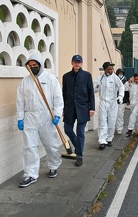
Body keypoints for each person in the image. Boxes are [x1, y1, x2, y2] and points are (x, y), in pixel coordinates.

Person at [16, 54, 63, 188]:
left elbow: (58, 98)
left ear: (40, 65)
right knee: (29, 147)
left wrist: (57, 114)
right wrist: (20, 118)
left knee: (51, 144)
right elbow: (20, 101)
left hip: (47, 116)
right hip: (30, 117)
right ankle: (30, 174)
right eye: (30, 66)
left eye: (35, 66)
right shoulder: (25, 81)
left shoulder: (50, 79)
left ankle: (54, 165)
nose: (33, 68)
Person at [62, 55, 95, 167]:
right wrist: (62, 108)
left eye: (79, 62)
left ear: (81, 63)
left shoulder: (87, 76)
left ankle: (79, 156)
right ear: (72, 63)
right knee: (67, 129)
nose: (77, 64)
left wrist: (92, 108)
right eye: (75, 62)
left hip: (83, 108)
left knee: (81, 132)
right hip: (70, 108)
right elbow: (64, 93)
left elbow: (91, 93)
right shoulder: (66, 76)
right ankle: (78, 146)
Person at [95, 62, 124, 149]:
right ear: (105, 69)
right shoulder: (99, 78)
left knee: (112, 121)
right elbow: (94, 90)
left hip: (113, 103)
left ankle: (109, 139)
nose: (112, 70)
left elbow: (121, 87)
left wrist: (120, 96)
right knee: (102, 121)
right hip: (103, 102)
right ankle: (102, 141)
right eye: (110, 69)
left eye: (112, 69)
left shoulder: (115, 77)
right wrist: (97, 86)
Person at [115, 68, 130, 135]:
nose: (120, 75)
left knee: (120, 115)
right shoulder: (114, 80)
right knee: (114, 115)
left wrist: (127, 100)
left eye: (121, 74)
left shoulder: (125, 82)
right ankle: (113, 127)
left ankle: (119, 128)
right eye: (119, 74)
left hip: (122, 101)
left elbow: (127, 92)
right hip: (114, 100)